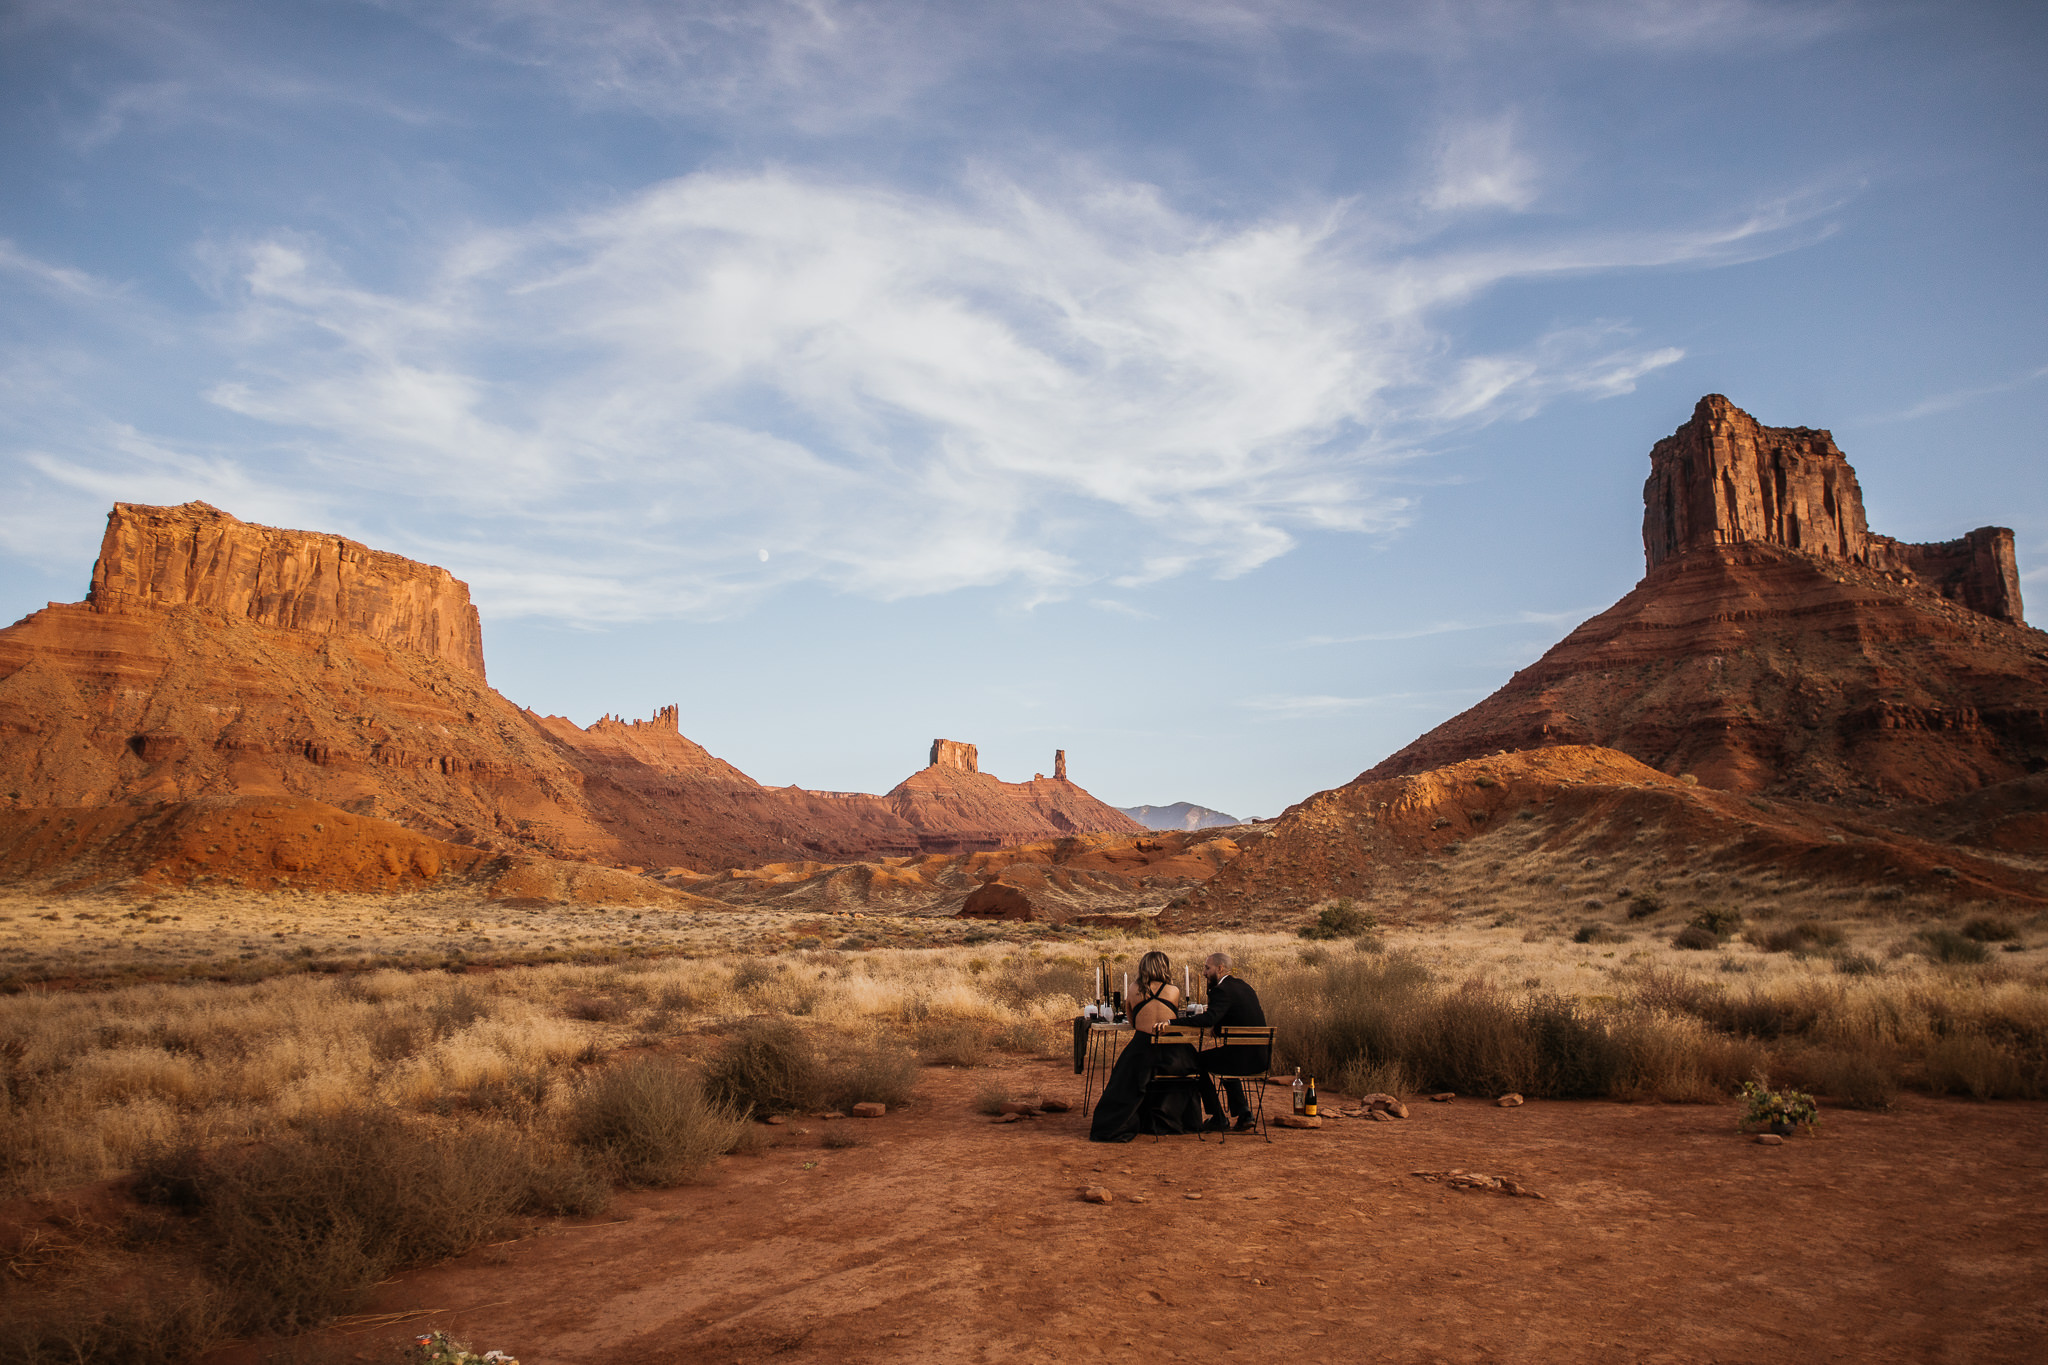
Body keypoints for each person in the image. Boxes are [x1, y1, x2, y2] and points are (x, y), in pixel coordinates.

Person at [1087, 951, 1214, 1142]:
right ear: (1165, 967)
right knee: (1196, 1065)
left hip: (1144, 1048)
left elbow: (1132, 1020)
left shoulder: (1133, 989)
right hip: (1173, 1050)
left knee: (1122, 1077)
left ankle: (1126, 1121)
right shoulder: (1173, 990)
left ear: (1143, 967)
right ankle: (1180, 1118)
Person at [1182, 951, 1268, 1133]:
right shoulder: (1244, 986)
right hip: (1261, 1057)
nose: (1204, 973)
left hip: (1241, 1060)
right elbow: (1239, 1016)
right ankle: (1244, 1113)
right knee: (1225, 1055)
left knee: (1195, 1061)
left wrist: (1171, 1022)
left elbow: (1208, 1019)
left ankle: (1218, 1117)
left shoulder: (1221, 990)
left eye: (1207, 968)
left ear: (1219, 968)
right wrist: (1220, 1027)